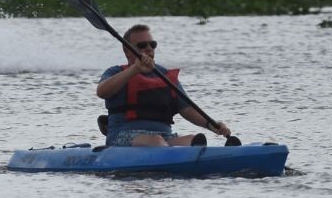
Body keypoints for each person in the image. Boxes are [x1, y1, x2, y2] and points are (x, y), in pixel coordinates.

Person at [95, 24, 233, 147]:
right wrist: (135, 69)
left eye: (152, 44)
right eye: (142, 46)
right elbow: (102, 92)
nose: (148, 49)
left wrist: (211, 124)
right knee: (156, 141)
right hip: (122, 135)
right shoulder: (116, 72)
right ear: (127, 50)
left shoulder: (165, 75)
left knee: (192, 140)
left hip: (164, 136)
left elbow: (187, 109)